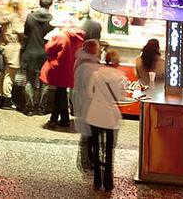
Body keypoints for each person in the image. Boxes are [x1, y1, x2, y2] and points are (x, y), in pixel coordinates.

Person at [85, 50, 127, 192]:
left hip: (95, 114)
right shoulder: (121, 77)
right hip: (110, 116)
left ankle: (97, 180)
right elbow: (121, 97)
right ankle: (108, 181)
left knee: (96, 147)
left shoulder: (96, 74)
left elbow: (90, 93)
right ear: (117, 62)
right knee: (109, 149)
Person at [42, 24, 85, 129]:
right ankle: (54, 119)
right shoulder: (78, 37)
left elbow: (48, 48)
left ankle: (64, 120)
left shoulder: (61, 36)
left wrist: (52, 37)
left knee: (60, 92)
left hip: (60, 66)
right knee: (60, 92)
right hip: (70, 67)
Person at [20, 0, 55, 115]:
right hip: (46, 54)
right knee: (44, 82)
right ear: (50, 5)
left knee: (29, 81)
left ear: (39, 2)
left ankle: (29, 107)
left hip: (30, 53)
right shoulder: (52, 20)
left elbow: (25, 35)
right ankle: (41, 108)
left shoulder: (30, 17)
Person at [74, 38, 104, 174]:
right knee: (89, 133)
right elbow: (89, 87)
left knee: (90, 132)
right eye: (97, 48)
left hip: (86, 101)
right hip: (89, 102)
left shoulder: (83, 61)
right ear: (92, 50)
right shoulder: (87, 65)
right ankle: (88, 160)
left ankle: (91, 158)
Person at [0, 0, 24, 109]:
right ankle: (7, 99)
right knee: (10, 75)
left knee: (2, 73)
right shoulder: (14, 17)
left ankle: (0, 97)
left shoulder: (5, 16)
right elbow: (21, 31)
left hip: (4, 46)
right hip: (13, 47)